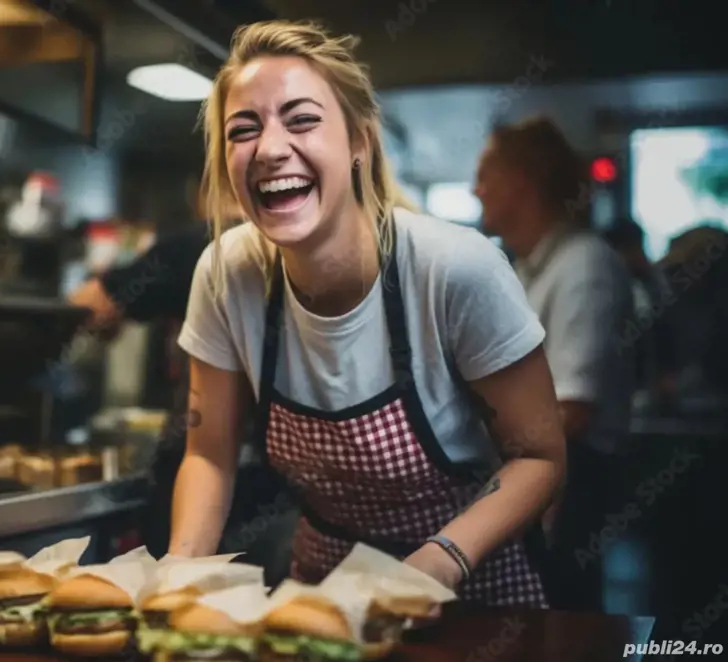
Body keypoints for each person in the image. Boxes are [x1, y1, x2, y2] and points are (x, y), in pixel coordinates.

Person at [169, 20, 566, 606]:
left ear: (360, 142)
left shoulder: (453, 268)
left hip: (475, 595)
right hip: (322, 594)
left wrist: (438, 562)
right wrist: (178, 575)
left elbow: (539, 456)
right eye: (243, 130)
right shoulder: (228, 274)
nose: (270, 149)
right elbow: (209, 454)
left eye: (302, 120)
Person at [67, 198, 293, 578]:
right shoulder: (239, 253)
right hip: (274, 491)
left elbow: (90, 303)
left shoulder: (196, 245)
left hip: (208, 482)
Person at [474, 117, 635, 611]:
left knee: (562, 625)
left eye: (485, 176)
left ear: (521, 183)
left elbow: (574, 411)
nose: (476, 190)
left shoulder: (585, 263)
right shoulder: (525, 267)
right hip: (534, 469)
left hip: (572, 477)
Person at [603, 219, 679, 400]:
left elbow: (664, 332)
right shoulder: (607, 288)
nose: (641, 256)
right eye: (633, 249)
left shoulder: (654, 284)